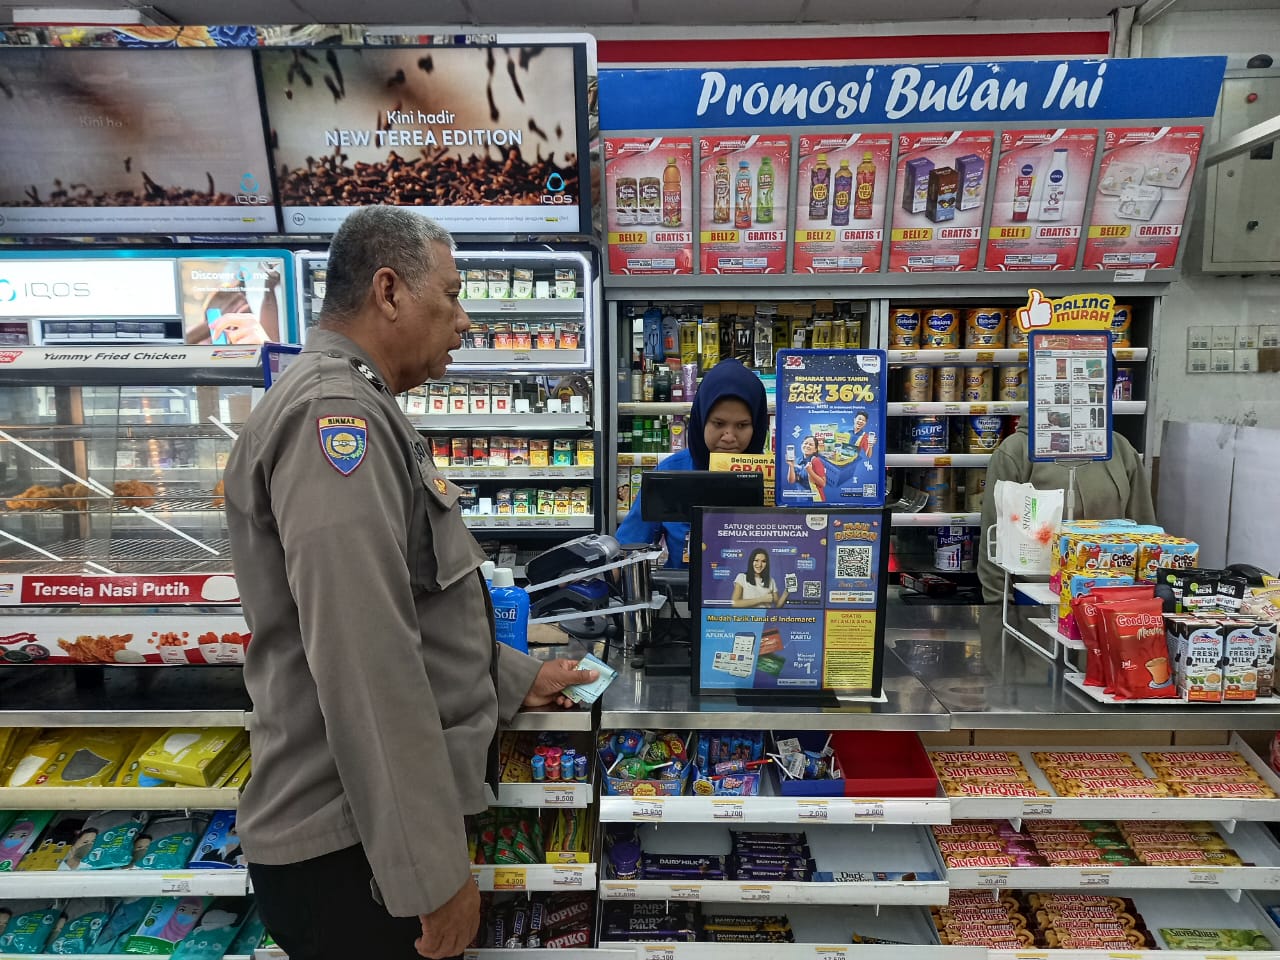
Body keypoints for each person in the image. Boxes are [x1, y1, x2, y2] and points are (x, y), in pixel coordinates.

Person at [223, 207, 597, 960]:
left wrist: (512, 676)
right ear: (389, 291)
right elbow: (367, 661)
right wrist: (430, 875)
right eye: (451, 295)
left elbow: (415, 609)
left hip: (363, 836)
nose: (465, 321)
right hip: (350, 848)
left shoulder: (358, 403)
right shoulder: (335, 418)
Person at [977, 419, 1157, 603]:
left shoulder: (1119, 448)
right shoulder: (1016, 450)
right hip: (1039, 601)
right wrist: (998, 606)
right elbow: (994, 540)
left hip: (1112, 599)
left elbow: (1146, 530)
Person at [616, 358, 769, 568]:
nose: (729, 436)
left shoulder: (775, 478)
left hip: (754, 586)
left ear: (757, 426)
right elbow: (628, 544)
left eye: (742, 425)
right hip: (682, 587)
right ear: (700, 419)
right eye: (718, 423)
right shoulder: (670, 473)